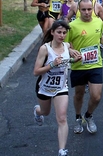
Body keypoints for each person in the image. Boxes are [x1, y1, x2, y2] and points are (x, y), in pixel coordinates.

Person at [33, 20, 81, 156]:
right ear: (52, 32)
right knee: (45, 112)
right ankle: (37, 112)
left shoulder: (66, 46)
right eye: (59, 32)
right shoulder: (45, 49)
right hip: (44, 87)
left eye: (64, 33)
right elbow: (36, 71)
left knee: (62, 118)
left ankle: (62, 150)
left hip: (61, 88)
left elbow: (66, 61)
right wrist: (51, 65)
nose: (61, 35)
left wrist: (74, 59)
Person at [65, 0, 103, 135]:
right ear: (79, 10)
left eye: (89, 9)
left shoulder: (98, 22)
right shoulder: (73, 26)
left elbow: (100, 38)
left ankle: (89, 115)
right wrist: (70, 51)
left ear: (93, 9)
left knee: (96, 96)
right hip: (78, 65)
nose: (87, 12)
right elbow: (65, 44)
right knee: (79, 94)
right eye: (83, 10)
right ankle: (78, 117)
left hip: (95, 64)